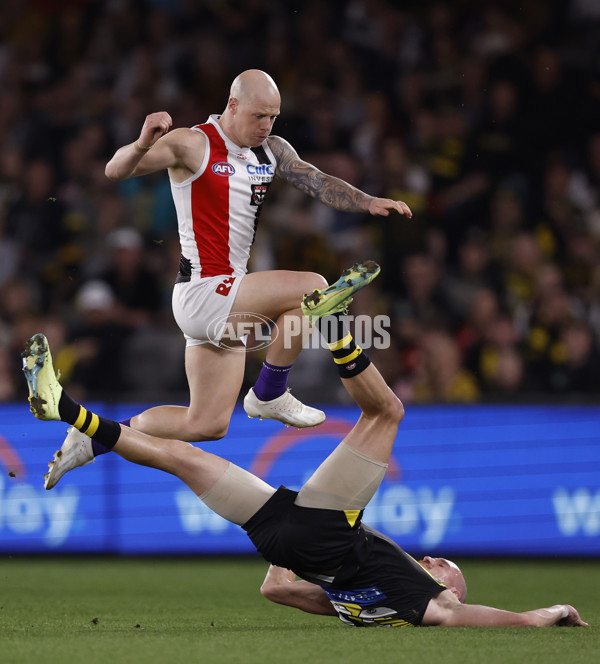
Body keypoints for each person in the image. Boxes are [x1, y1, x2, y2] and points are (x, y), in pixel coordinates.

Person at [22, 275, 587, 628]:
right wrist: (321, 573)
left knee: (387, 413)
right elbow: (276, 587)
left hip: (325, 531)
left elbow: (453, 613)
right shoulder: (362, 603)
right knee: (179, 457)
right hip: (283, 535)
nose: (436, 560)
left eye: (445, 569)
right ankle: (65, 409)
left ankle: (335, 327)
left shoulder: (425, 597)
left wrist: (535, 617)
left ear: (445, 587)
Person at [47, 69, 413, 489]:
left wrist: (368, 202)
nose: (266, 126)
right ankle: (270, 391)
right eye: (259, 115)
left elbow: (314, 179)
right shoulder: (193, 142)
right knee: (314, 285)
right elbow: (115, 171)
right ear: (233, 104)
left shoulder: (272, 148)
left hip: (229, 300)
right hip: (203, 291)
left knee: (206, 423)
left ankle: (93, 437)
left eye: (273, 117)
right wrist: (143, 141)